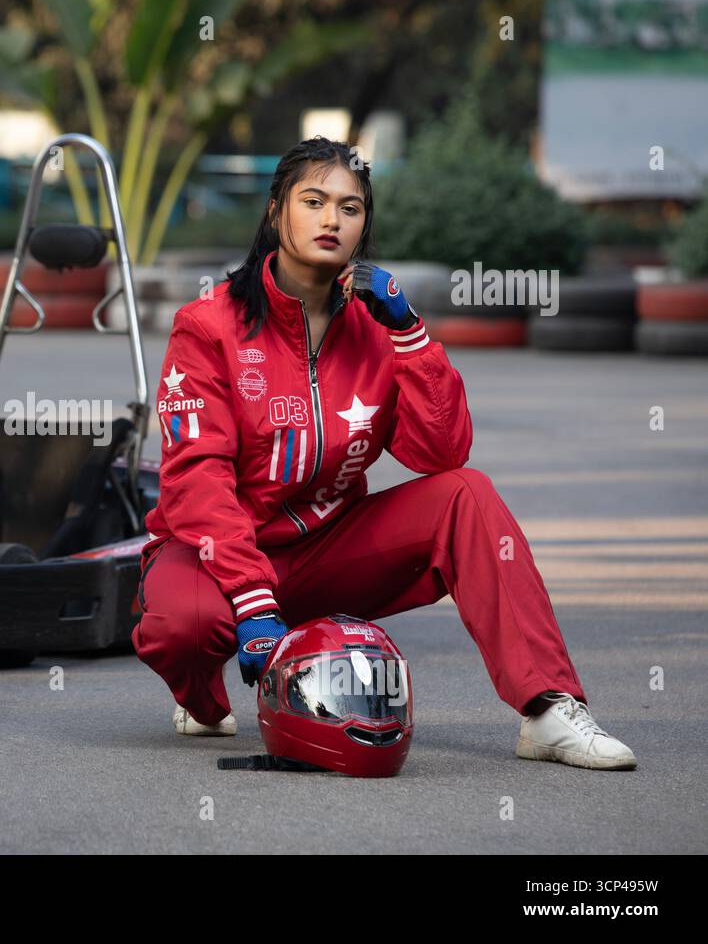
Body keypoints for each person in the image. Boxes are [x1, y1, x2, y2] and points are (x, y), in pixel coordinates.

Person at [132, 136, 635, 770]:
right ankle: (204, 700)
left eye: (350, 207)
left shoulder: (379, 327)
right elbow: (197, 478)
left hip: (328, 551)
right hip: (220, 555)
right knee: (182, 625)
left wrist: (409, 334)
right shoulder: (209, 326)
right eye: (313, 201)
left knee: (467, 494)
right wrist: (253, 598)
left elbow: (441, 451)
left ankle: (549, 709)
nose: (331, 219)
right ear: (275, 211)